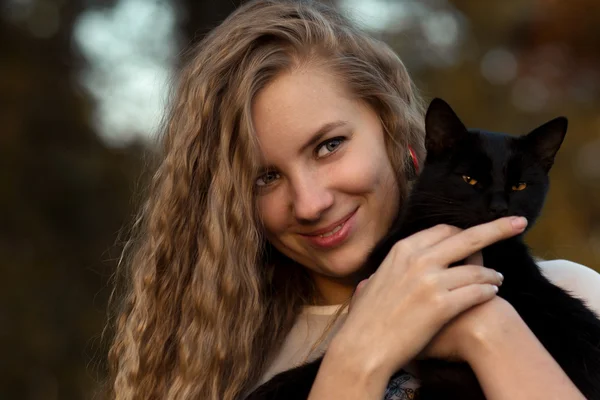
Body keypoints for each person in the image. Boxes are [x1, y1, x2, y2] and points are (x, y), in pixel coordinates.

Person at [106, 0, 600, 399]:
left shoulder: (576, 292)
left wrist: (486, 329)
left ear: (392, 130)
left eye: (329, 146)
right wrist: (358, 357)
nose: (310, 202)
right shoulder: (217, 367)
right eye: (266, 178)